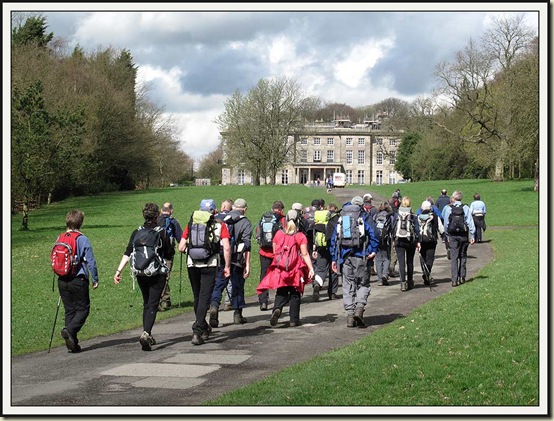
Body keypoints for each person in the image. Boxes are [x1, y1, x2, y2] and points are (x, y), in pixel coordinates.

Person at [114, 203, 172, 351]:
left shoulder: (136, 232)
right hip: (157, 273)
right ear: (157, 216)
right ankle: (146, 333)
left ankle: (146, 332)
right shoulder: (162, 232)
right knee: (153, 303)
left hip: (140, 272)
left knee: (146, 302)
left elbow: (128, 252)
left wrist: (118, 271)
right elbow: (169, 253)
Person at [178, 199, 231, 345]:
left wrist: (192, 252)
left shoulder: (191, 223)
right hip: (210, 264)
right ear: (214, 211)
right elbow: (226, 248)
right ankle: (197, 331)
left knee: (197, 297)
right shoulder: (220, 224)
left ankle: (203, 327)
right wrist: (227, 266)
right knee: (204, 298)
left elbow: (181, 247)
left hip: (192, 264)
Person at [257, 209, 315, 327]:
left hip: (281, 268)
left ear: (286, 220)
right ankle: (294, 319)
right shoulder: (300, 236)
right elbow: (304, 254)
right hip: (295, 268)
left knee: (281, 291)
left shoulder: (278, 234)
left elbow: (275, 251)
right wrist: (311, 268)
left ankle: (277, 308)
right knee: (295, 293)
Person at [331, 196, 378, 328]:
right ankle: (360, 307)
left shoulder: (342, 218)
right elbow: (374, 234)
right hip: (362, 256)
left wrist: (334, 259)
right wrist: (373, 250)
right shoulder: (364, 217)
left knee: (348, 286)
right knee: (363, 284)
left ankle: (350, 315)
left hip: (345, 258)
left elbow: (334, 240)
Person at [56, 209, 99, 353]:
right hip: (78, 279)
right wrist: (95, 278)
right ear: (80, 223)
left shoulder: (60, 237)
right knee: (83, 309)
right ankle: (69, 330)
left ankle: (73, 344)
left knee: (70, 310)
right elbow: (91, 261)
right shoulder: (82, 239)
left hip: (62, 279)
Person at [226, 198, 253, 325]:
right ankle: (237, 313)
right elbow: (247, 245)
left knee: (218, 285)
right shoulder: (245, 222)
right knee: (238, 285)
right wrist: (247, 264)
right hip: (237, 258)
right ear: (245, 209)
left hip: (221, 258)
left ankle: (213, 307)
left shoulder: (223, 218)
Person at [256, 200, 286, 311]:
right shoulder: (282, 219)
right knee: (281, 276)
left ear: (272, 208)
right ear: (281, 210)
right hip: (278, 253)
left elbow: (257, 234)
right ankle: (279, 301)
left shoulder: (264, 218)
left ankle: (263, 301)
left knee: (264, 275)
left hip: (264, 251)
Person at [442, 190, 475, 287]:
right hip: (463, 235)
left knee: (454, 257)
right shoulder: (465, 208)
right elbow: (470, 222)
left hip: (452, 235)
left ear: (453, 197)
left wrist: (447, 235)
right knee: (463, 255)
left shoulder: (448, 208)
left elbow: (446, 223)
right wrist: (472, 235)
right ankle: (462, 277)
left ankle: (454, 279)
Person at [209, 199, 234, 322]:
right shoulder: (231, 219)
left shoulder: (212, 218)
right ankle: (227, 302)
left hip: (208, 254)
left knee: (209, 282)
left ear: (222, 206)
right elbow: (228, 244)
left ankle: (210, 306)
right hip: (223, 251)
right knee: (223, 279)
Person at [157, 202, 183, 311]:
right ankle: (165, 300)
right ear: (171, 210)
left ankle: (160, 300)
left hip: (155, 254)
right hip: (168, 254)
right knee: (165, 277)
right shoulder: (173, 222)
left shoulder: (155, 221)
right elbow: (180, 239)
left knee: (157, 276)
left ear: (161, 210)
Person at [391, 196, 421, 292]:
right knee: (410, 261)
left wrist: (393, 240)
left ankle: (403, 283)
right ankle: (410, 281)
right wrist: (418, 241)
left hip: (399, 240)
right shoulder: (412, 215)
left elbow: (393, 228)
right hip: (410, 241)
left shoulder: (396, 215)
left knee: (401, 262)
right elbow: (417, 230)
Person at [417, 200, 444, 285]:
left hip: (421, 240)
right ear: (430, 208)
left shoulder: (417, 217)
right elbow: (441, 229)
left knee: (423, 257)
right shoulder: (435, 217)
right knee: (430, 257)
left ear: (422, 208)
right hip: (431, 240)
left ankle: (425, 272)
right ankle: (427, 273)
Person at [373, 201, 394, 286]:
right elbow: (393, 228)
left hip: (377, 240)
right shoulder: (390, 217)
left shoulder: (375, 216)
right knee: (387, 258)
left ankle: (379, 279)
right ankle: (385, 275)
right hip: (386, 240)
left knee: (378, 259)